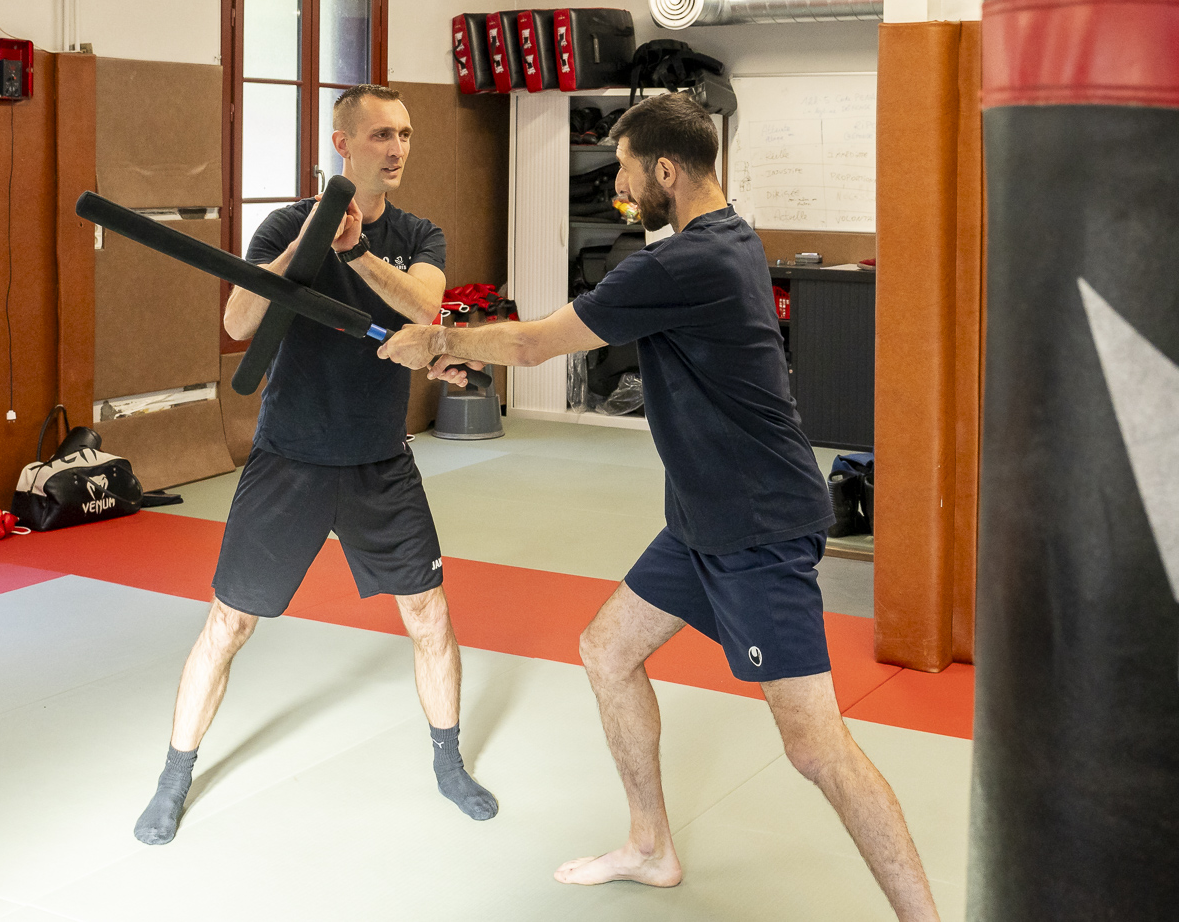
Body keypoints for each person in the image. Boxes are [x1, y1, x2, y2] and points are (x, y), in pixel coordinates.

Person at [378, 92, 939, 919]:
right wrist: (467, 354)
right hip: (702, 520)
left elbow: (534, 342)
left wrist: (441, 341)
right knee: (607, 649)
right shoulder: (728, 235)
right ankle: (650, 845)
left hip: (757, 529)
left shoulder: (681, 264)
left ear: (666, 171)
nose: (620, 186)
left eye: (627, 170)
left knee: (816, 747)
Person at [133, 84, 497, 846]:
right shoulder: (283, 225)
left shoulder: (418, 233)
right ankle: (173, 775)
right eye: (379, 135)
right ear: (342, 144)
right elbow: (237, 323)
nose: (396, 148)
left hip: (378, 462)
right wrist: (314, 242)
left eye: (404, 134)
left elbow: (424, 311)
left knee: (428, 614)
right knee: (229, 622)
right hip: (288, 459)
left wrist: (358, 251)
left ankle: (448, 762)